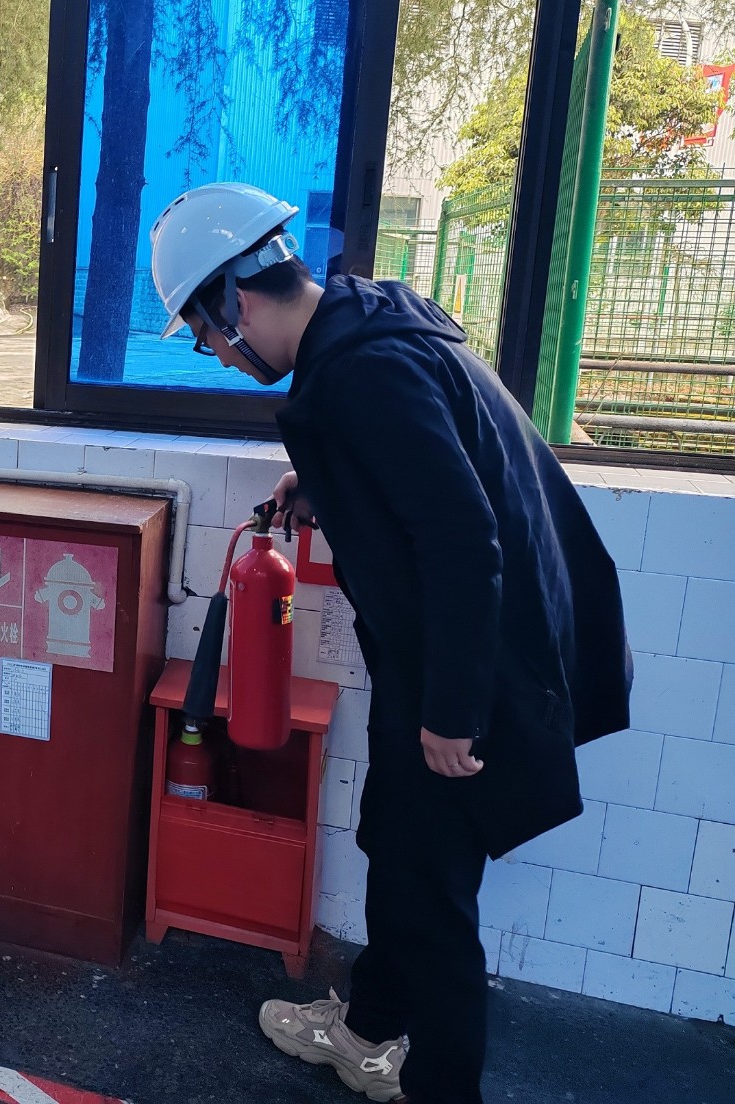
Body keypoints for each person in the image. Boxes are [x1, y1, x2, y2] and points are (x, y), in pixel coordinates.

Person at [148, 183, 632, 1104]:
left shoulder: (363, 372)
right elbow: (429, 464)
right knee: (398, 847)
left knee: (430, 895)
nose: (220, 355)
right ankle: (367, 1031)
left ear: (236, 302)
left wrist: (453, 714)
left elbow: (463, 540)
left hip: (475, 670)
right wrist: (321, 480)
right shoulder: (369, 317)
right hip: (460, 651)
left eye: (208, 336)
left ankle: (439, 1086)